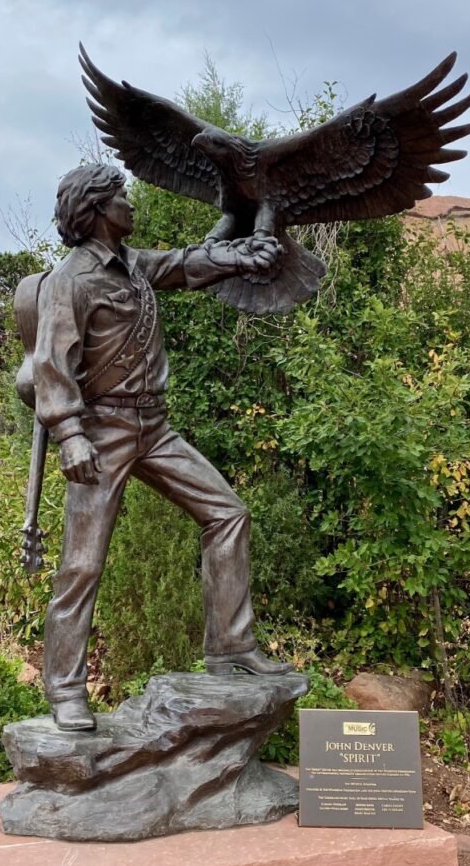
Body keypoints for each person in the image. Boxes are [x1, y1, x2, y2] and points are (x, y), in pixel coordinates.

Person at [32, 163, 293, 731]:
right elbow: (53, 366)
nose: (131, 203)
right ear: (97, 209)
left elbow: (183, 263)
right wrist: (70, 434)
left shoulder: (132, 266)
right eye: (121, 196)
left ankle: (230, 647)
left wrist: (240, 256)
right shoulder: (70, 281)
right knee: (82, 564)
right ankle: (66, 689)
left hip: (155, 427)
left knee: (227, 514)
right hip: (100, 434)